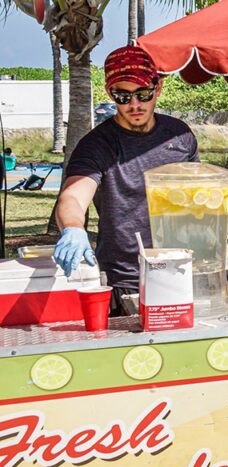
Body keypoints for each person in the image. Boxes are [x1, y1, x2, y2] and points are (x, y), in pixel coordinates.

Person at [53, 46, 198, 313]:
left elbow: (195, 195)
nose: (135, 105)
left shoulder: (179, 136)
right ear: (110, 94)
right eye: (123, 95)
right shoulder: (97, 145)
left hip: (179, 270)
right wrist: (73, 228)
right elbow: (74, 195)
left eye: (143, 94)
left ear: (158, 88)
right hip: (124, 278)